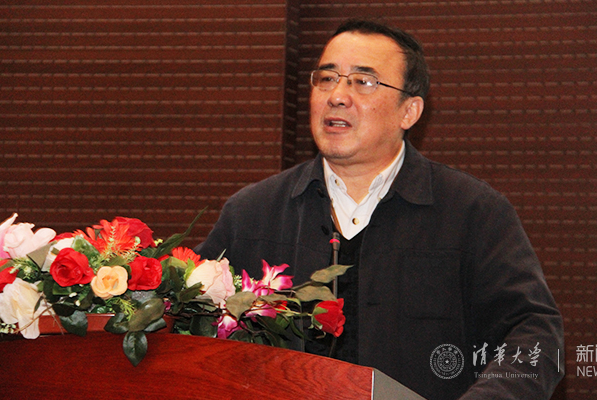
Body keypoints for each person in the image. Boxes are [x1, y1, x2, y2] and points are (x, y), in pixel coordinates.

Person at [195, 19, 564, 400]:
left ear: (410, 111)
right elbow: (191, 322)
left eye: (363, 81)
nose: (337, 96)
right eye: (327, 78)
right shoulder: (252, 213)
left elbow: (535, 335)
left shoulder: (473, 212)